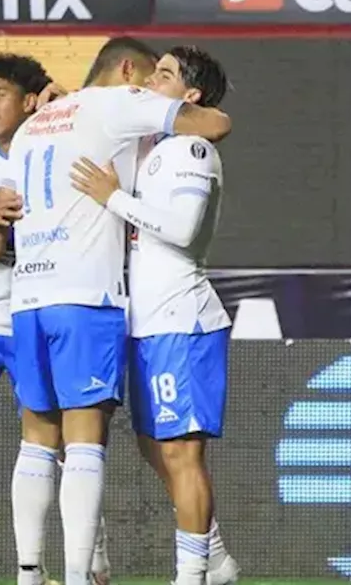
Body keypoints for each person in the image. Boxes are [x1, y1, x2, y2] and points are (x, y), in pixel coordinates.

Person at [0, 37, 231, 585]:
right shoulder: (119, 108)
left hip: (29, 300)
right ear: (128, 71)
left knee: (37, 442)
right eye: (148, 77)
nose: (149, 88)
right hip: (87, 298)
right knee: (86, 443)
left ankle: (29, 575)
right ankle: (83, 576)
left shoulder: (38, 122)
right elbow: (217, 124)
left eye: (163, 78)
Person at [0, 53, 110, 585]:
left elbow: (91, 115)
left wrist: (61, 94)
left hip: (43, 310)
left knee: (62, 445)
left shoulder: (55, 148)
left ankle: (89, 557)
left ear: (30, 99)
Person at [68, 47, 238, 585]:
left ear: (190, 97)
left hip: (181, 319)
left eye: (163, 75)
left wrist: (114, 199)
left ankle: (192, 577)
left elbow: (183, 231)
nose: (149, 81)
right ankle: (214, 557)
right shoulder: (148, 148)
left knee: (181, 454)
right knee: (152, 445)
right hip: (145, 322)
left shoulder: (190, 149)